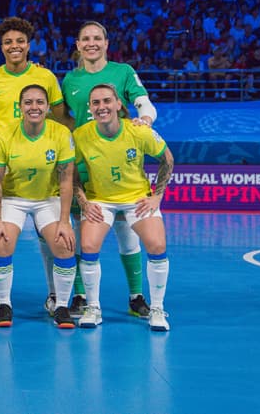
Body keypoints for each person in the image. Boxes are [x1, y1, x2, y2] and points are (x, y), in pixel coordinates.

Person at [58, 21, 158, 319]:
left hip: (121, 166)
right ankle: (79, 295)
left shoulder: (122, 72)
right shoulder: (70, 80)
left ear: (106, 42)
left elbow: (145, 104)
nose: (91, 43)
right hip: (84, 165)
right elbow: (65, 120)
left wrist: (146, 120)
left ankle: (136, 296)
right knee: (81, 232)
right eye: (85, 38)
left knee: (128, 234)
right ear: (78, 45)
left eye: (97, 38)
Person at [73, 83, 174, 332]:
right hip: (100, 199)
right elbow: (70, 172)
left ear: (119, 104)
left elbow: (167, 159)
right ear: (90, 108)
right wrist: (84, 201)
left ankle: (158, 309)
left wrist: (156, 196)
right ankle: (93, 307)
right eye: (96, 103)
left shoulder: (139, 131)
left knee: (157, 246)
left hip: (136, 198)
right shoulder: (81, 135)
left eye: (107, 101)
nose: (102, 107)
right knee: (87, 246)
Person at [0, 84, 76, 328]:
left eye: (39, 102)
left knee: (64, 244)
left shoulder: (60, 134)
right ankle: (4, 303)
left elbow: (66, 179)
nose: (34, 107)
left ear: (47, 107)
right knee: (1, 241)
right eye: (28, 102)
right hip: (13, 198)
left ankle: (61, 306)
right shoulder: (5, 135)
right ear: (20, 107)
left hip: (48, 198)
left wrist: (65, 222)